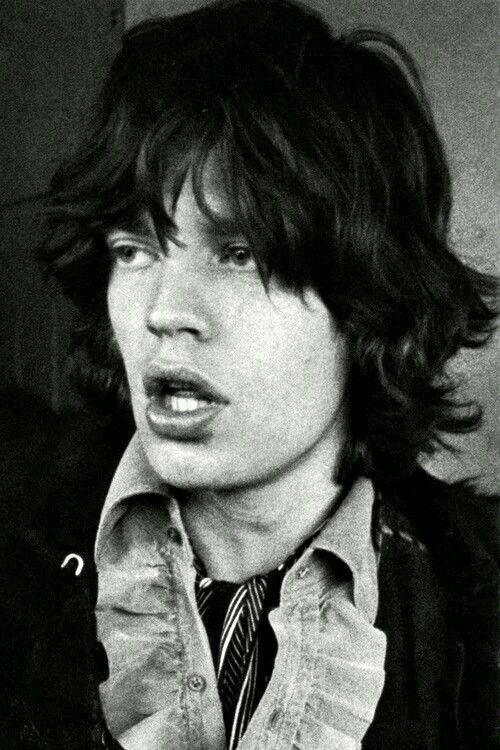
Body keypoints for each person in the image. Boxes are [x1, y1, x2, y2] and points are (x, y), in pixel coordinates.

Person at [1, 1, 498, 748]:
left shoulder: (479, 599)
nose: (165, 311)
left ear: (366, 295)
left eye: (240, 255)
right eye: (134, 248)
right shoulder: (14, 529)